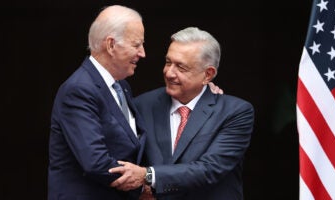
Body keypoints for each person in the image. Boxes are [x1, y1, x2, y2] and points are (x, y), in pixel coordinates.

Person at [108, 27, 255, 200]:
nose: (169, 73)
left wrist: (148, 175)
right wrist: (140, 191)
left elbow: (210, 169)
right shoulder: (142, 105)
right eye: (168, 62)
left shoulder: (234, 112)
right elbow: (124, 159)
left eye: (181, 67)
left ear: (208, 75)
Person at [47, 5, 148, 200]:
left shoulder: (122, 86)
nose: (143, 53)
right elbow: (96, 162)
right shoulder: (79, 89)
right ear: (111, 45)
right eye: (136, 45)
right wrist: (143, 186)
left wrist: (203, 92)